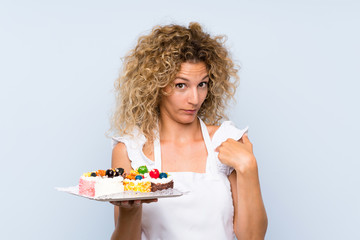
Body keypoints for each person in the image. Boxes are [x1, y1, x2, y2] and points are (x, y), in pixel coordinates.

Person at [109, 22, 267, 240]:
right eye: (181, 85)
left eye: (202, 84)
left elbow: (253, 238)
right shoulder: (131, 151)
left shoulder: (225, 143)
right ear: (156, 85)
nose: (194, 99)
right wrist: (131, 208)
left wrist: (249, 168)